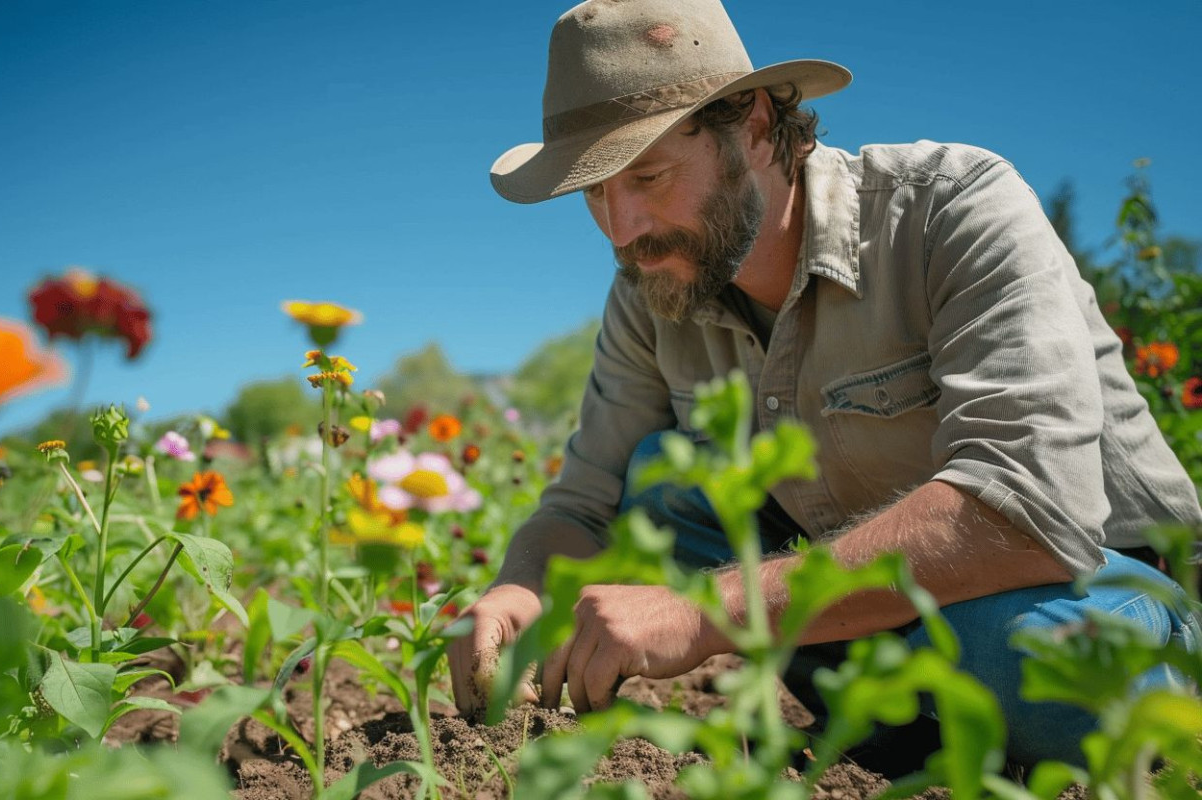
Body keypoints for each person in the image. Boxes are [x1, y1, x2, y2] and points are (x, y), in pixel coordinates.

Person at [446, 0, 1202, 769]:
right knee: (659, 480)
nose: (621, 229)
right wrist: (521, 588)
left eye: (647, 175)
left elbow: (1031, 506)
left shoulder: (952, 207)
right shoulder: (652, 291)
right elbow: (585, 503)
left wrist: (705, 611)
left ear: (758, 129)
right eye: (596, 192)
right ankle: (897, 730)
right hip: (865, 618)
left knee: (1028, 661)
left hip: (1084, 588)